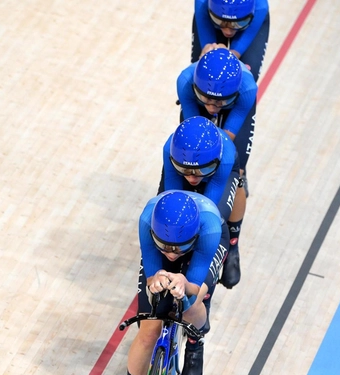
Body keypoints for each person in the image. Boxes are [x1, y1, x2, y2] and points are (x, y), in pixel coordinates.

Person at [176, 48, 258, 284]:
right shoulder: (185, 81)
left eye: (219, 102)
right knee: (190, 156)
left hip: (235, 112)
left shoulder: (246, 88)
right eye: (207, 101)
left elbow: (224, 141)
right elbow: (197, 125)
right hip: (199, 109)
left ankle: (232, 246)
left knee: (236, 171)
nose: (212, 107)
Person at [126, 190, 229, 375]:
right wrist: (155, 279)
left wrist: (184, 282)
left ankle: (195, 344)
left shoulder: (210, 228)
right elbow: (151, 274)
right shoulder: (146, 221)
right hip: (175, 240)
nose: (172, 254)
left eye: (178, 250)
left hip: (203, 246)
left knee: (191, 305)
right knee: (148, 332)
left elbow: (194, 286)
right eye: (166, 248)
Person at [158, 115, 241, 289]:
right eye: (185, 171)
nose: (191, 178)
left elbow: (208, 209)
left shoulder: (224, 156)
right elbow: (172, 194)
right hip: (196, 164)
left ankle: (232, 245)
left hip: (219, 176)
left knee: (213, 222)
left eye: (197, 172)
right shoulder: (169, 149)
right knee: (170, 214)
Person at [191, 0, 270, 82]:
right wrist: (208, 48)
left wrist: (232, 55)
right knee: (201, 75)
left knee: (247, 78)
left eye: (236, 24)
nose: (227, 32)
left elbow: (235, 54)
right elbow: (207, 48)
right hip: (210, 21)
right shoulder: (202, 2)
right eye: (221, 22)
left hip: (248, 27)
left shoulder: (260, 6)